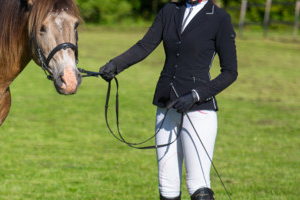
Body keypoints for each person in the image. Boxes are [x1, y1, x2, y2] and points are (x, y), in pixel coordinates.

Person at [98, 0, 238, 199]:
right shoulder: (170, 10)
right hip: (166, 107)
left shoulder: (219, 18)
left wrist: (196, 95)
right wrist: (115, 65)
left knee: (198, 186)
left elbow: (230, 72)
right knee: (167, 186)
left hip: (198, 109)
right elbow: (144, 46)